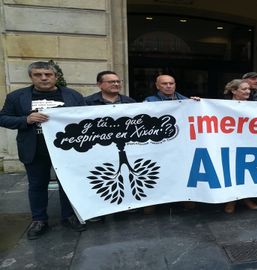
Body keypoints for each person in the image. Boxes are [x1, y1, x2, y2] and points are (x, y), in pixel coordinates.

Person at [0, 61, 86, 240]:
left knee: (68, 185)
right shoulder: (17, 96)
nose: (44, 78)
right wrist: (26, 119)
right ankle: (39, 220)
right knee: (37, 185)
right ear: (31, 77)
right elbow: (3, 118)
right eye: (38, 74)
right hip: (35, 149)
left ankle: (68, 216)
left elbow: (85, 118)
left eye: (48, 74)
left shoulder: (73, 95)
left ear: (56, 76)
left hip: (67, 150)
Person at [85, 71, 136, 222]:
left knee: (123, 175)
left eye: (117, 81)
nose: (116, 84)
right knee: (100, 177)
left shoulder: (130, 102)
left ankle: (124, 206)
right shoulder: (87, 102)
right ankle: (98, 209)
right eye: (111, 82)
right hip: (98, 147)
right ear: (99, 84)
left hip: (124, 145)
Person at [143, 74, 197, 214]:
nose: (168, 86)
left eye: (171, 83)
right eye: (164, 83)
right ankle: (153, 202)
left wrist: (198, 104)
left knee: (181, 172)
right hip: (159, 146)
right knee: (157, 172)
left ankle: (185, 198)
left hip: (180, 145)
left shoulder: (186, 100)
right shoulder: (148, 102)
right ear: (157, 86)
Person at [222, 79, 257, 213]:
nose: (248, 91)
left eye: (249, 89)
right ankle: (231, 200)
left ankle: (245, 198)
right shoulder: (222, 106)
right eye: (244, 89)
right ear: (234, 91)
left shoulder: (254, 107)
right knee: (232, 171)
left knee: (245, 173)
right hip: (229, 143)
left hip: (248, 144)